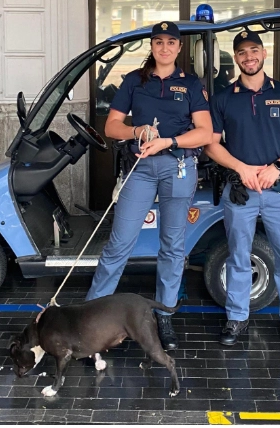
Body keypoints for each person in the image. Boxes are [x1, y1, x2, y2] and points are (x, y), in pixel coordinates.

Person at [86, 21, 213, 350]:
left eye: (171, 42)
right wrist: (137, 131)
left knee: (172, 246)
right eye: (159, 42)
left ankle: (165, 315)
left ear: (179, 48)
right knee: (119, 245)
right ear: (152, 46)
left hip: (178, 168)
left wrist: (169, 141)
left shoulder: (190, 84)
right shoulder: (134, 81)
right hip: (140, 170)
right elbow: (112, 126)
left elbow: (204, 132)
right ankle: (91, 315)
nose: (165, 48)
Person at [205, 29, 280, 348]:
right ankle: (237, 318)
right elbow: (211, 145)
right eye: (242, 52)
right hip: (240, 190)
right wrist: (242, 168)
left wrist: (276, 167)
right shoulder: (224, 98)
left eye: (254, 50)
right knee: (238, 255)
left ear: (264, 53)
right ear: (236, 58)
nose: (248, 57)